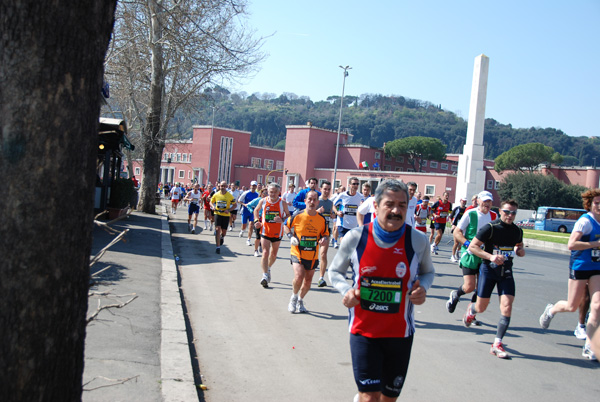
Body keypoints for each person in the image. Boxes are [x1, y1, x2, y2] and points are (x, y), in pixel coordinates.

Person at [328, 179, 435, 401]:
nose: (396, 210)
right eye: (389, 204)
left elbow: (428, 272)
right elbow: (335, 272)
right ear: (375, 206)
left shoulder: (418, 240)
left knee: (388, 398)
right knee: (369, 397)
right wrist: (347, 291)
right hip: (364, 331)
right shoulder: (356, 237)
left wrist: (422, 288)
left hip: (400, 334)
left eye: (402, 205)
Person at [539, 188, 600, 361]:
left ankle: (590, 345)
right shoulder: (585, 221)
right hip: (580, 266)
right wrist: (595, 243)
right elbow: (571, 244)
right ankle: (551, 310)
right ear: (590, 204)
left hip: (597, 266)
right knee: (572, 306)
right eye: (596, 203)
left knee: (597, 305)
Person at [461, 200, 526, 359]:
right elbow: (473, 247)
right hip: (489, 271)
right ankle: (472, 310)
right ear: (500, 211)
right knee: (481, 307)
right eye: (507, 212)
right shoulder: (490, 228)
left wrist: (519, 250)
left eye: (513, 213)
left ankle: (497, 343)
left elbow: (519, 245)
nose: (510, 216)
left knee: (507, 306)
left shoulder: (517, 231)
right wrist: (491, 257)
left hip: (506, 273)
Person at [446, 191, 497, 314]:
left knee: (481, 287)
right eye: (485, 201)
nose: (487, 204)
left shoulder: (495, 216)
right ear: (478, 201)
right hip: (470, 254)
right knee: (469, 287)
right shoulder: (471, 213)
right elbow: (457, 232)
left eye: (489, 201)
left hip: (486, 255)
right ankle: (455, 295)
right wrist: (468, 244)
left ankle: (471, 314)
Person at [285, 191, 329, 313]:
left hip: (312, 254)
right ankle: (293, 298)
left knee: (308, 281)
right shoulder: (297, 215)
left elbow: (325, 234)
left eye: (315, 199)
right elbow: (286, 225)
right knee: (299, 276)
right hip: (297, 252)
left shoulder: (321, 219)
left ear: (318, 202)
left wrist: (324, 239)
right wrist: (290, 236)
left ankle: (300, 300)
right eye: (309, 199)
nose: (312, 202)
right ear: (305, 201)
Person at [254, 183, 290, 288]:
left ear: (279, 192)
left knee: (273, 255)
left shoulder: (282, 203)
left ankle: (268, 267)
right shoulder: (263, 201)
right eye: (270, 192)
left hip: (277, 232)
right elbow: (256, 210)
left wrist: (282, 219)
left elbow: (288, 215)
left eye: (274, 192)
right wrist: (257, 220)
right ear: (267, 192)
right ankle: (264, 275)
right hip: (265, 231)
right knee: (265, 252)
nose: (272, 194)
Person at [332, 177, 365, 241]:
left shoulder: (360, 197)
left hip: (354, 225)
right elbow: (333, 205)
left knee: (351, 246)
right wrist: (337, 212)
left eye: (357, 184)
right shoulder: (342, 195)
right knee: (344, 242)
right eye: (354, 184)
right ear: (349, 185)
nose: (356, 186)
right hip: (343, 224)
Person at [210, 181, 236, 254]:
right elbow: (211, 202)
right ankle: (217, 247)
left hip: (226, 215)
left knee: (223, 232)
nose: (223, 187)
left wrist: (229, 210)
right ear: (219, 186)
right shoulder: (216, 194)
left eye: (224, 186)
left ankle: (222, 237)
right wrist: (213, 207)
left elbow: (235, 205)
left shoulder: (230, 195)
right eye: (221, 186)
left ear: (227, 187)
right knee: (217, 229)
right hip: (217, 213)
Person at [316, 181, 334, 287]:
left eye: (328, 189)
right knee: (312, 256)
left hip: (325, 232)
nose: (326, 191)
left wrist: (332, 215)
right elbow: (308, 213)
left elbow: (330, 214)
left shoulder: (330, 203)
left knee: (323, 254)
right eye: (325, 189)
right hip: (313, 231)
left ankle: (321, 278)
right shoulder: (316, 201)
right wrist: (317, 211)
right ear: (321, 189)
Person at [449, 197, 468, 262]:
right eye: (463, 201)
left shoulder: (466, 210)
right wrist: (452, 224)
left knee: (463, 243)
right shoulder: (457, 209)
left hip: (463, 228)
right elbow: (450, 217)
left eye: (465, 201)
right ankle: (453, 256)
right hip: (456, 228)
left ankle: (457, 251)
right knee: (456, 243)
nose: (464, 202)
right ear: (460, 201)